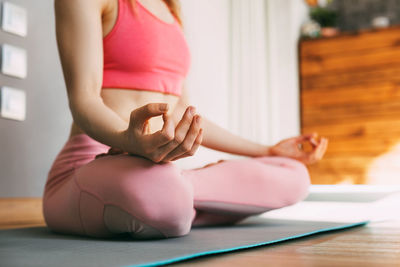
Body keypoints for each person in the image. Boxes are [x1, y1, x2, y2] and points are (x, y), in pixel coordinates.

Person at [43, 0, 328, 240]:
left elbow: (185, 114)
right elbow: (84, 100)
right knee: (162, 191)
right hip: (92, 163)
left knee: (294, 175)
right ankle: (174, 197)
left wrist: (268, 151)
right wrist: (126, 139)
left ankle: (172, 197)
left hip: (157, 172)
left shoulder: (171, 10)